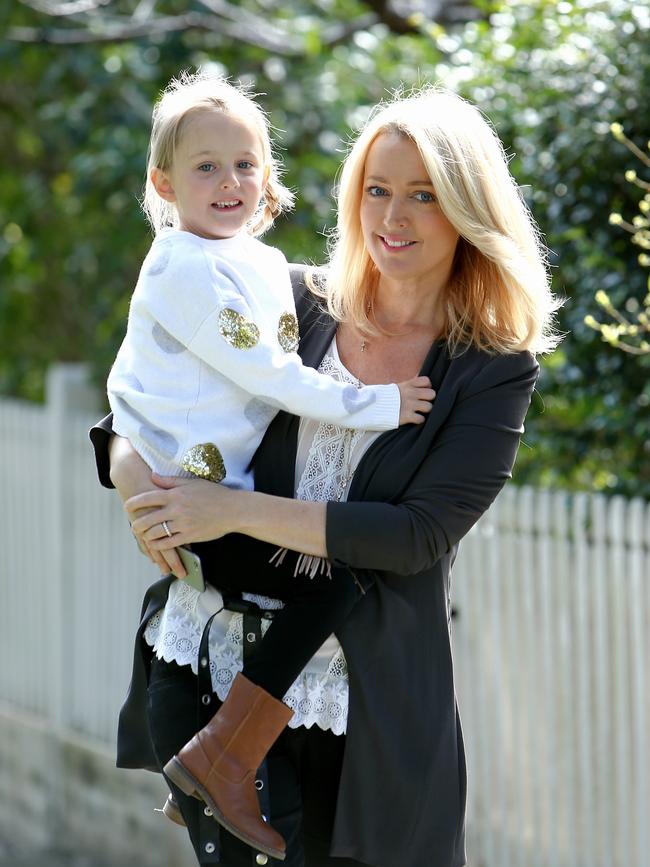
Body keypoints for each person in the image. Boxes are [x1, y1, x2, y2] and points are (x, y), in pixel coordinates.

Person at [91, 85, 559, 867]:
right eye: (377, 190)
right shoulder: (293, 301)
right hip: (218, 682)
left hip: (369, 718)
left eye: (424, 195)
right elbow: (150, 388)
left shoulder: (494, 366)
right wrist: (135, 475)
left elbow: (416, 537)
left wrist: (228, 510)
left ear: (468, 210)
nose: (392, 217)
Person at [106, 69, 435, 860]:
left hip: (212, 499)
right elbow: (271, 376)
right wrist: (387, 402)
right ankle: (219, 759)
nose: (230, 182)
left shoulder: (257, 265)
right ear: (163, 182)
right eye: (206, 166)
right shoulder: (187, 266)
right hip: (191, 504)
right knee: (334, 582)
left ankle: (216, 759)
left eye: (246, 164)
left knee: (330, 583)